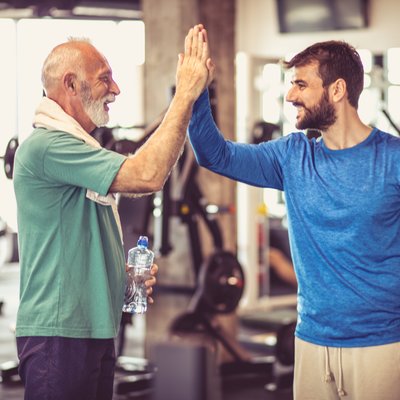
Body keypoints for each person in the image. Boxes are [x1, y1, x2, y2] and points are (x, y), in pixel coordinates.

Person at [188, 39, 400, 400]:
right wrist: (196, 93)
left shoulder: (392, 160)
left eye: (301, 84)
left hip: (381, 344)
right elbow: (215, 155)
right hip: (312, 341)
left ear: (337, 89)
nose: (290, 95)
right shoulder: (292, 155)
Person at [13, 24, 212, 400]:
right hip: (60, 334)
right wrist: (184, 94)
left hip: (91, 329)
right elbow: (148, 174)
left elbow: (75, 239)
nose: (116, 90)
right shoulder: (48, 147)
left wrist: (116, 276)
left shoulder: (78, 148)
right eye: (105, 79)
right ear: (70, 85)